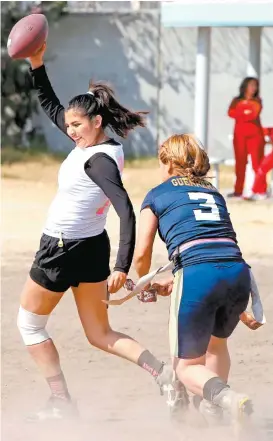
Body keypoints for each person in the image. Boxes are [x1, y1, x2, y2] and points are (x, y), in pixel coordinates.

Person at [16, 43, 182, 421]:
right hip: (90, 248)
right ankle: (163, 374)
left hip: (60, 250)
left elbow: (126, 211)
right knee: (100, 333)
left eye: (77, 125)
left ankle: (61, 402)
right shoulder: (103, 144)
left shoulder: (98, 161)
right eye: (70, 125)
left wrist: (122, 266)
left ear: (96, 122)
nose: (70, 130)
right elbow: (53, 106)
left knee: (29, 324)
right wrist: (37, 63)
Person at [133, 134, 253, 425]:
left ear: (169, 163)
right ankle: (214, 412)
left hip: (199, 273)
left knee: (186, 368)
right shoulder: (213, 191)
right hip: (237, 271)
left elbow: (142, 252)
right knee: (217, 345)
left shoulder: (158, 194)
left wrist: (144, 282)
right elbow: (216, 239)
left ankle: (227, 399)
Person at [228, 77, 265, 198]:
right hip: (240, 136)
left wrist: (242, 112)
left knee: (258, 164)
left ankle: (260, 191)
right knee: (240, 164)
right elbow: (231, 113)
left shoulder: (257, 101)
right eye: (251, 85)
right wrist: (245, 111)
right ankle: (238, 191)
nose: (254, 88)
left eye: (255, 86)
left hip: (255, 136)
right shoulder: (236, 100)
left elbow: (254, 114)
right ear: (245, 86)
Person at [245, 127, 273, 201]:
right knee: (261, 170)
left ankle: (256, 192)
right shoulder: (269, 130)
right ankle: (259, 191)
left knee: (261, 170)